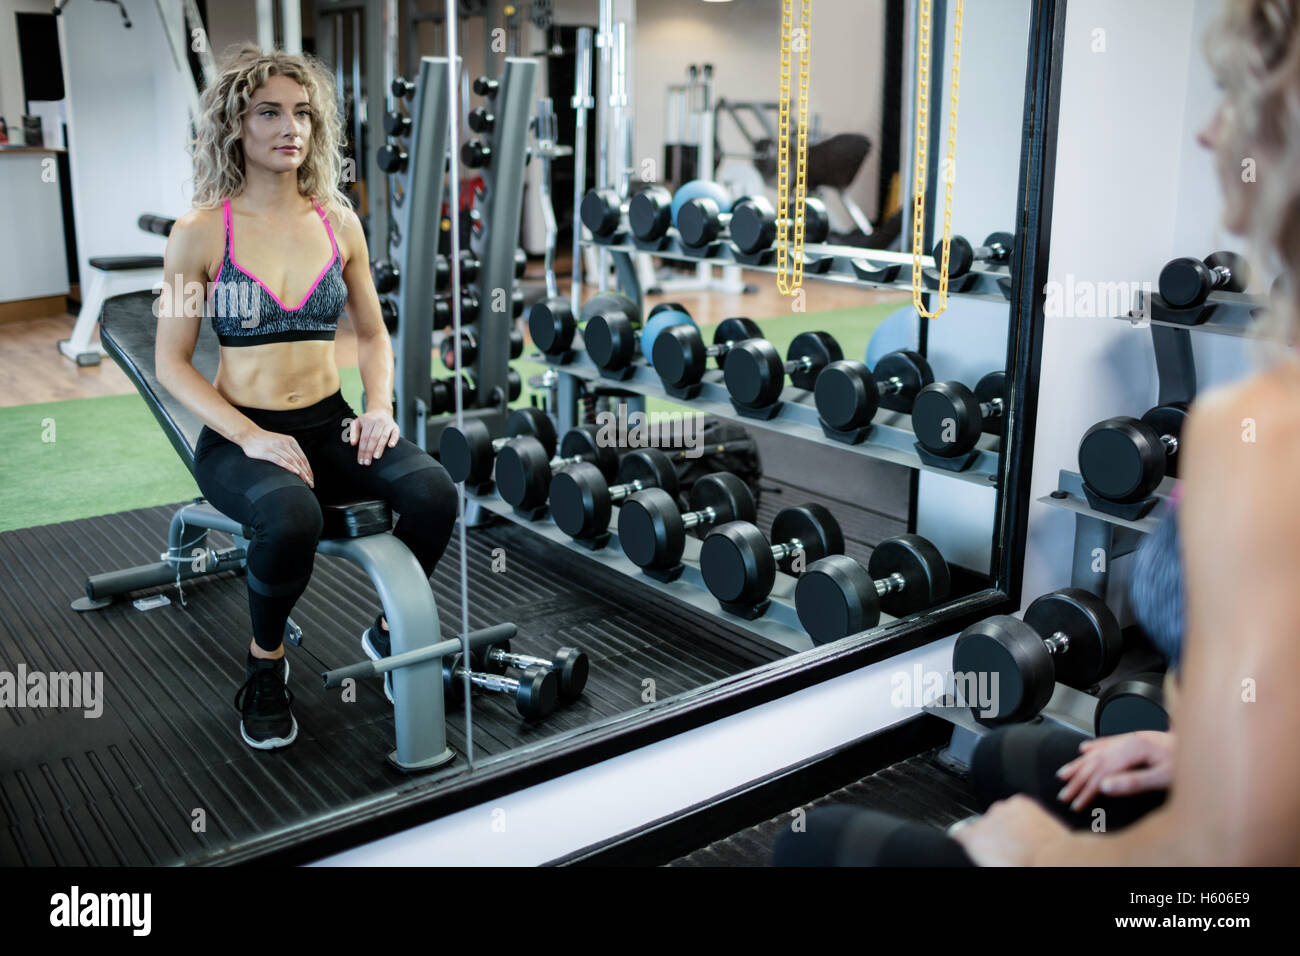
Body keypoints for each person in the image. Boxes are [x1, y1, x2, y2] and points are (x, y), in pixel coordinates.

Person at [780, 0, 1300, 866]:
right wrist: (1195, 751)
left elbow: (1227, 865)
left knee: (814, 846)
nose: (1209, 135)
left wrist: (1035, 856)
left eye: (1232, 97)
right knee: (1012, 752)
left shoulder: (1262, 436)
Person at [155, 45, 458, 751]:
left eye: (303, 113)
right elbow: (171, 364)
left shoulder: (337, 222)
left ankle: (386, 635)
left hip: (331, 422)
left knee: (434, 492)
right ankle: (267, 664)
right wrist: (251, 437)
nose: (291, 127)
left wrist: (377, 407)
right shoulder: (198, 233)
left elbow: (375, 338)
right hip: (241, 438)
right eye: (270, 112)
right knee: (290, 515)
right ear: (235, 125)